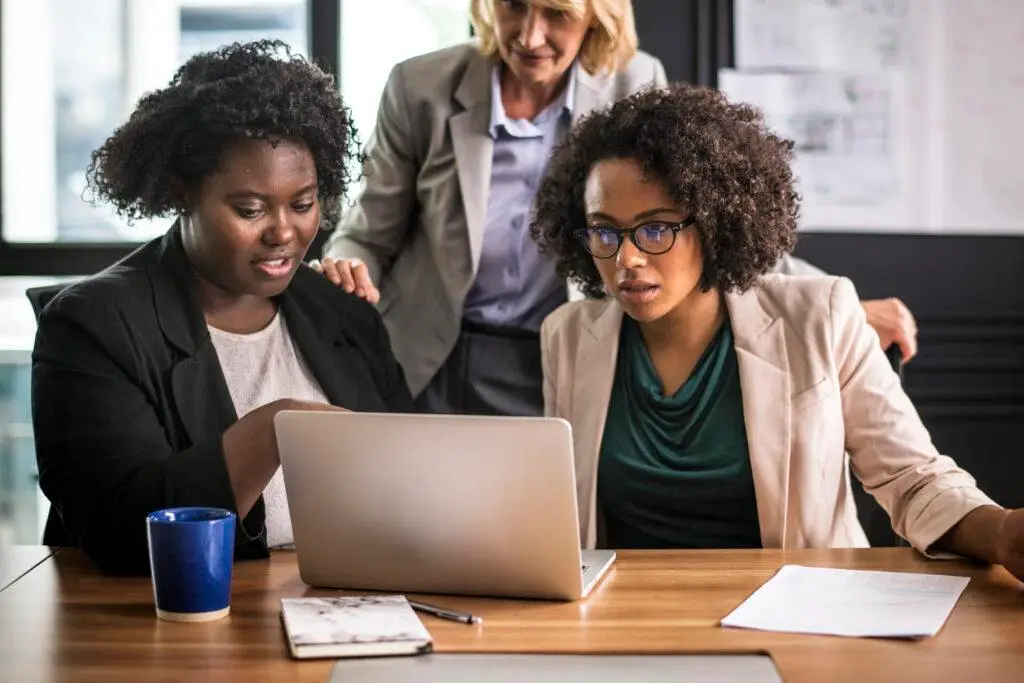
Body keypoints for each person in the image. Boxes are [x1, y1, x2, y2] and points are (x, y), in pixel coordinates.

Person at [314, 0, 918, 418]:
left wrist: (836, 301)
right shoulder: (420, 85)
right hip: (434, 353)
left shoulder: (633, 80)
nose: (528, 35)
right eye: (515, 6)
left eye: (557, 14)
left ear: (597, 17)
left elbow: (710, 220)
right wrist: (343, 264)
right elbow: (370, 228)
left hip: (555, 348)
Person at [529, 83, 1023, 582]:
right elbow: (564, 519)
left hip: (797, 612)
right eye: (604, 231)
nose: (625, 258)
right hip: (629, 616)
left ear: (715, 222)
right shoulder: (567, 337)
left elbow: (913, 480)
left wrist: (1003, 533)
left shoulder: (820, 316)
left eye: (656, 229)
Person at [31, 41, 412, 575]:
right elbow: (115, 527)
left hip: (347, 604)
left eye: (303, 203)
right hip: (176, 624)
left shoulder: (340, 309)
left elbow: (412, 483)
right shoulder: (95, 324)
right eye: (250, 209)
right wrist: (273, 430)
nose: (284, 231)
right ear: (180, 192)